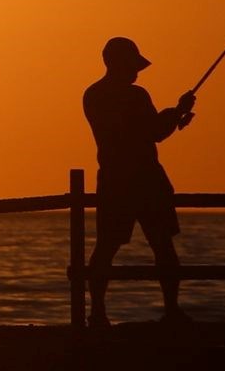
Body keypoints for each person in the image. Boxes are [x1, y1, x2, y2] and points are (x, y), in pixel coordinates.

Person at [83, 36, 195, 328]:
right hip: (145, 179)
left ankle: (97, 313)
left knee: (106, 247)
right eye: (133, 65)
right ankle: (171, 310)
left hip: (113, 179)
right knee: (162, 246)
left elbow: (144, 130)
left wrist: (173, 115)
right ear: (121, 64)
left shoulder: (92, 95)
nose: (137, 71)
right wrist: (176, 113)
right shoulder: (135, 96)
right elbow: (152, 132)